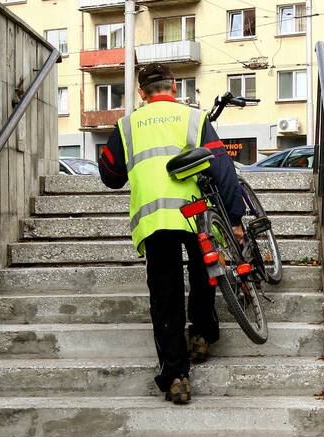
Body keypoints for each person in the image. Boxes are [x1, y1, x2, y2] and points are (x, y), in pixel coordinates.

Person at [98, 63, 246, 405]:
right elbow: (222, 167)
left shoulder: (127, 125)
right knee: (205, 272)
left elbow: (110, 175)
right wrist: (235, 217)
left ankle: (177, 375)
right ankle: (202, 334)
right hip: (195, 212)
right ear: (174, 87)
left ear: (141, 93)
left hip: (154, 218)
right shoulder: (193, 119)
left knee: (164, 294)